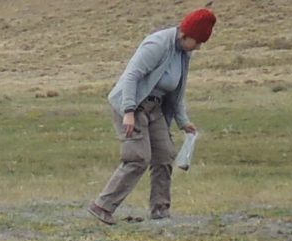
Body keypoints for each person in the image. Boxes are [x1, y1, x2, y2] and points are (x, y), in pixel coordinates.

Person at [90, 10, 213, 224]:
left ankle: (160, 210)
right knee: (137, 157)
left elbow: (177, 92)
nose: (199, 47)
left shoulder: (183, 54)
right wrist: (128, 111)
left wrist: (183, 121)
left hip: (154, 109)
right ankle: (102, 206)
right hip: (132, 105)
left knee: (165, 155)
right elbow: (132, 75)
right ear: (186, 35)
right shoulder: (157, 44)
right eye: (198, 41)